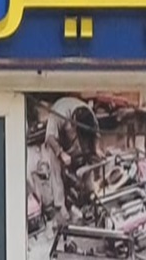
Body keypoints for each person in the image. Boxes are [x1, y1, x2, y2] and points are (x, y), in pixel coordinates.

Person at [42, 96, 99, 224]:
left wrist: (95, 152)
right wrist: (61, 153)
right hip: (56, 141)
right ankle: (60, 206)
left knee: (87, 159)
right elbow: (50, 137)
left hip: (73, 138)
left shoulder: (89, 114)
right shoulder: (58, 113)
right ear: (73, 121)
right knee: (56, 168)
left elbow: (95, 135)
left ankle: (89, 193)